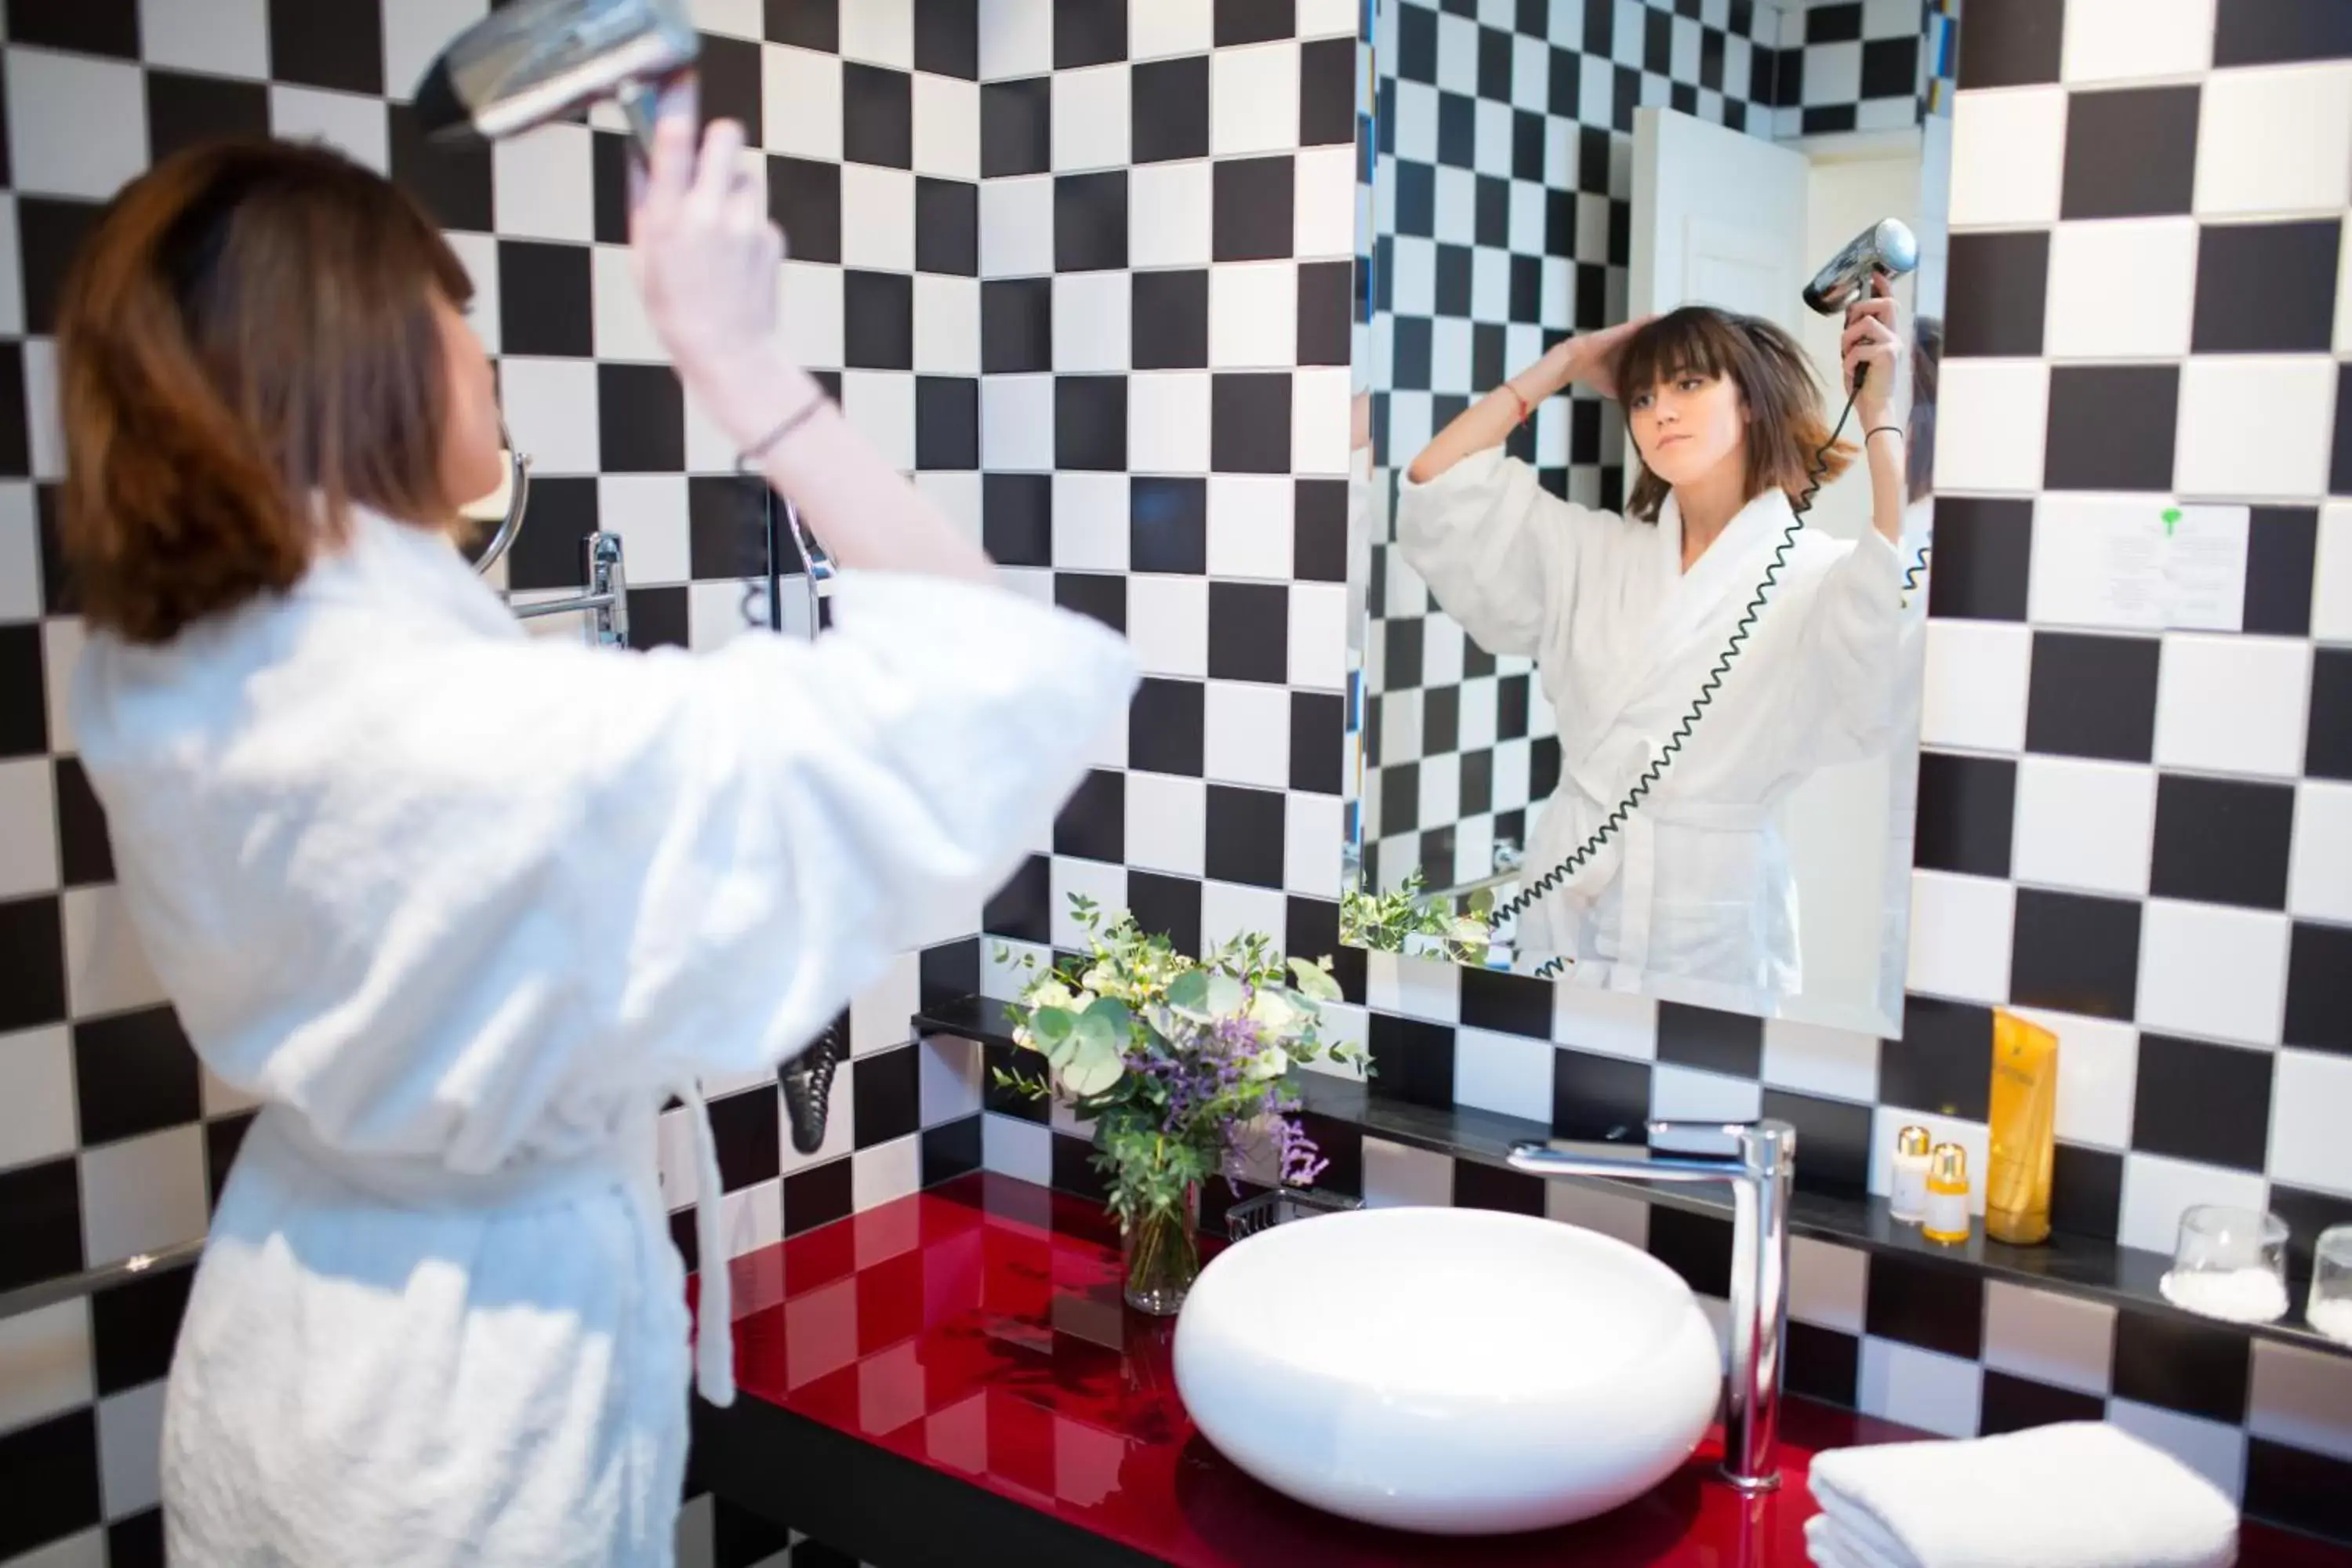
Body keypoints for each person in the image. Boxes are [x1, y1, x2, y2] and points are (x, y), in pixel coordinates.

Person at [56, 96, 1138, 1567]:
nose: (484, 351)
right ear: (359, 364)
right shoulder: (495, 748)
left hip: (283, 1339)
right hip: (463, 1429)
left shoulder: (169, 682)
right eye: (452, 313)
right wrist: (743, 367)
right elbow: (1004, 677)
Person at [1396, 286, 1910, 1012]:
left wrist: (1880, 414)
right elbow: (1437, 483)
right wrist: (1569, 361)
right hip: (1569, 907)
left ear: (1751, 402)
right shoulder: (1596, 552)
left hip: (1711, 925)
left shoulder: (1813, 573)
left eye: (1691, 384)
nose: (1660, 410)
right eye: (1641, 397)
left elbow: (1885, 625)